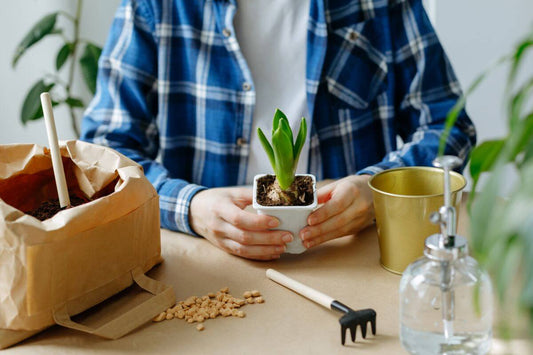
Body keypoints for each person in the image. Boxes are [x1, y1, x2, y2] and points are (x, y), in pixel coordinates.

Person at [81, 0, 476, 261]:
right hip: (211, 266)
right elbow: (104, 150)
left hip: (351, 257)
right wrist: (191, 207)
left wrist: (377, 191)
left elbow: (448, 125)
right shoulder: (155, 6)